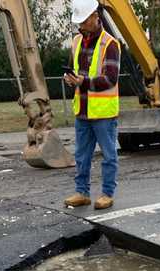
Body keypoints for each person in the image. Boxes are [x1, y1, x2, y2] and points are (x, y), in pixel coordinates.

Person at [64, 0, 121, 211]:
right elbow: (72, 68)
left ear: (94, 16)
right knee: (81, 155)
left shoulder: (110, 44)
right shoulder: (77, 41)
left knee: (108, 155)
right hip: (83, 110)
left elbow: (110, 79)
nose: (80, 26)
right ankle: (82, 192)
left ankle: (107, 194)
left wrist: (83, 82)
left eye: (83, 22)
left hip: (104, 113)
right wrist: (69, 78)